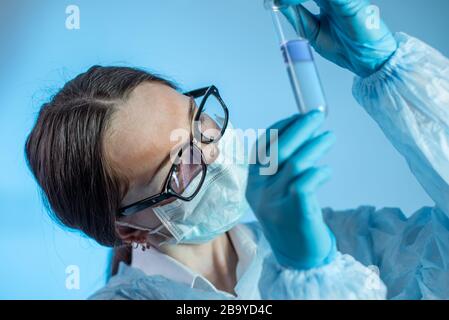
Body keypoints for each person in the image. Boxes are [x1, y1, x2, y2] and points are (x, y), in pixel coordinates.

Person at [24, 0, 449, 300]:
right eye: (181, 163)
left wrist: (393, 75)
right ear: (131, 231)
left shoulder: (338, 239)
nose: (213, 150)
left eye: (198, 121)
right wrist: (309, 275)